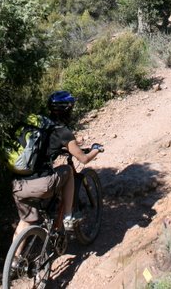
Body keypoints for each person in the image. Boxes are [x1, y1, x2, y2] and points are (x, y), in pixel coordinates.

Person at [10, 90, 102, 240]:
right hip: (40, 184)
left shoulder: (39, 126)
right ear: (68, 109)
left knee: (25, 221)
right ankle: (68, 217)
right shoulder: (62, 132)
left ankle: (13, 262)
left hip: (18, 184)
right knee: (67, 171)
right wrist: (96, 150)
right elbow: (83, 159)